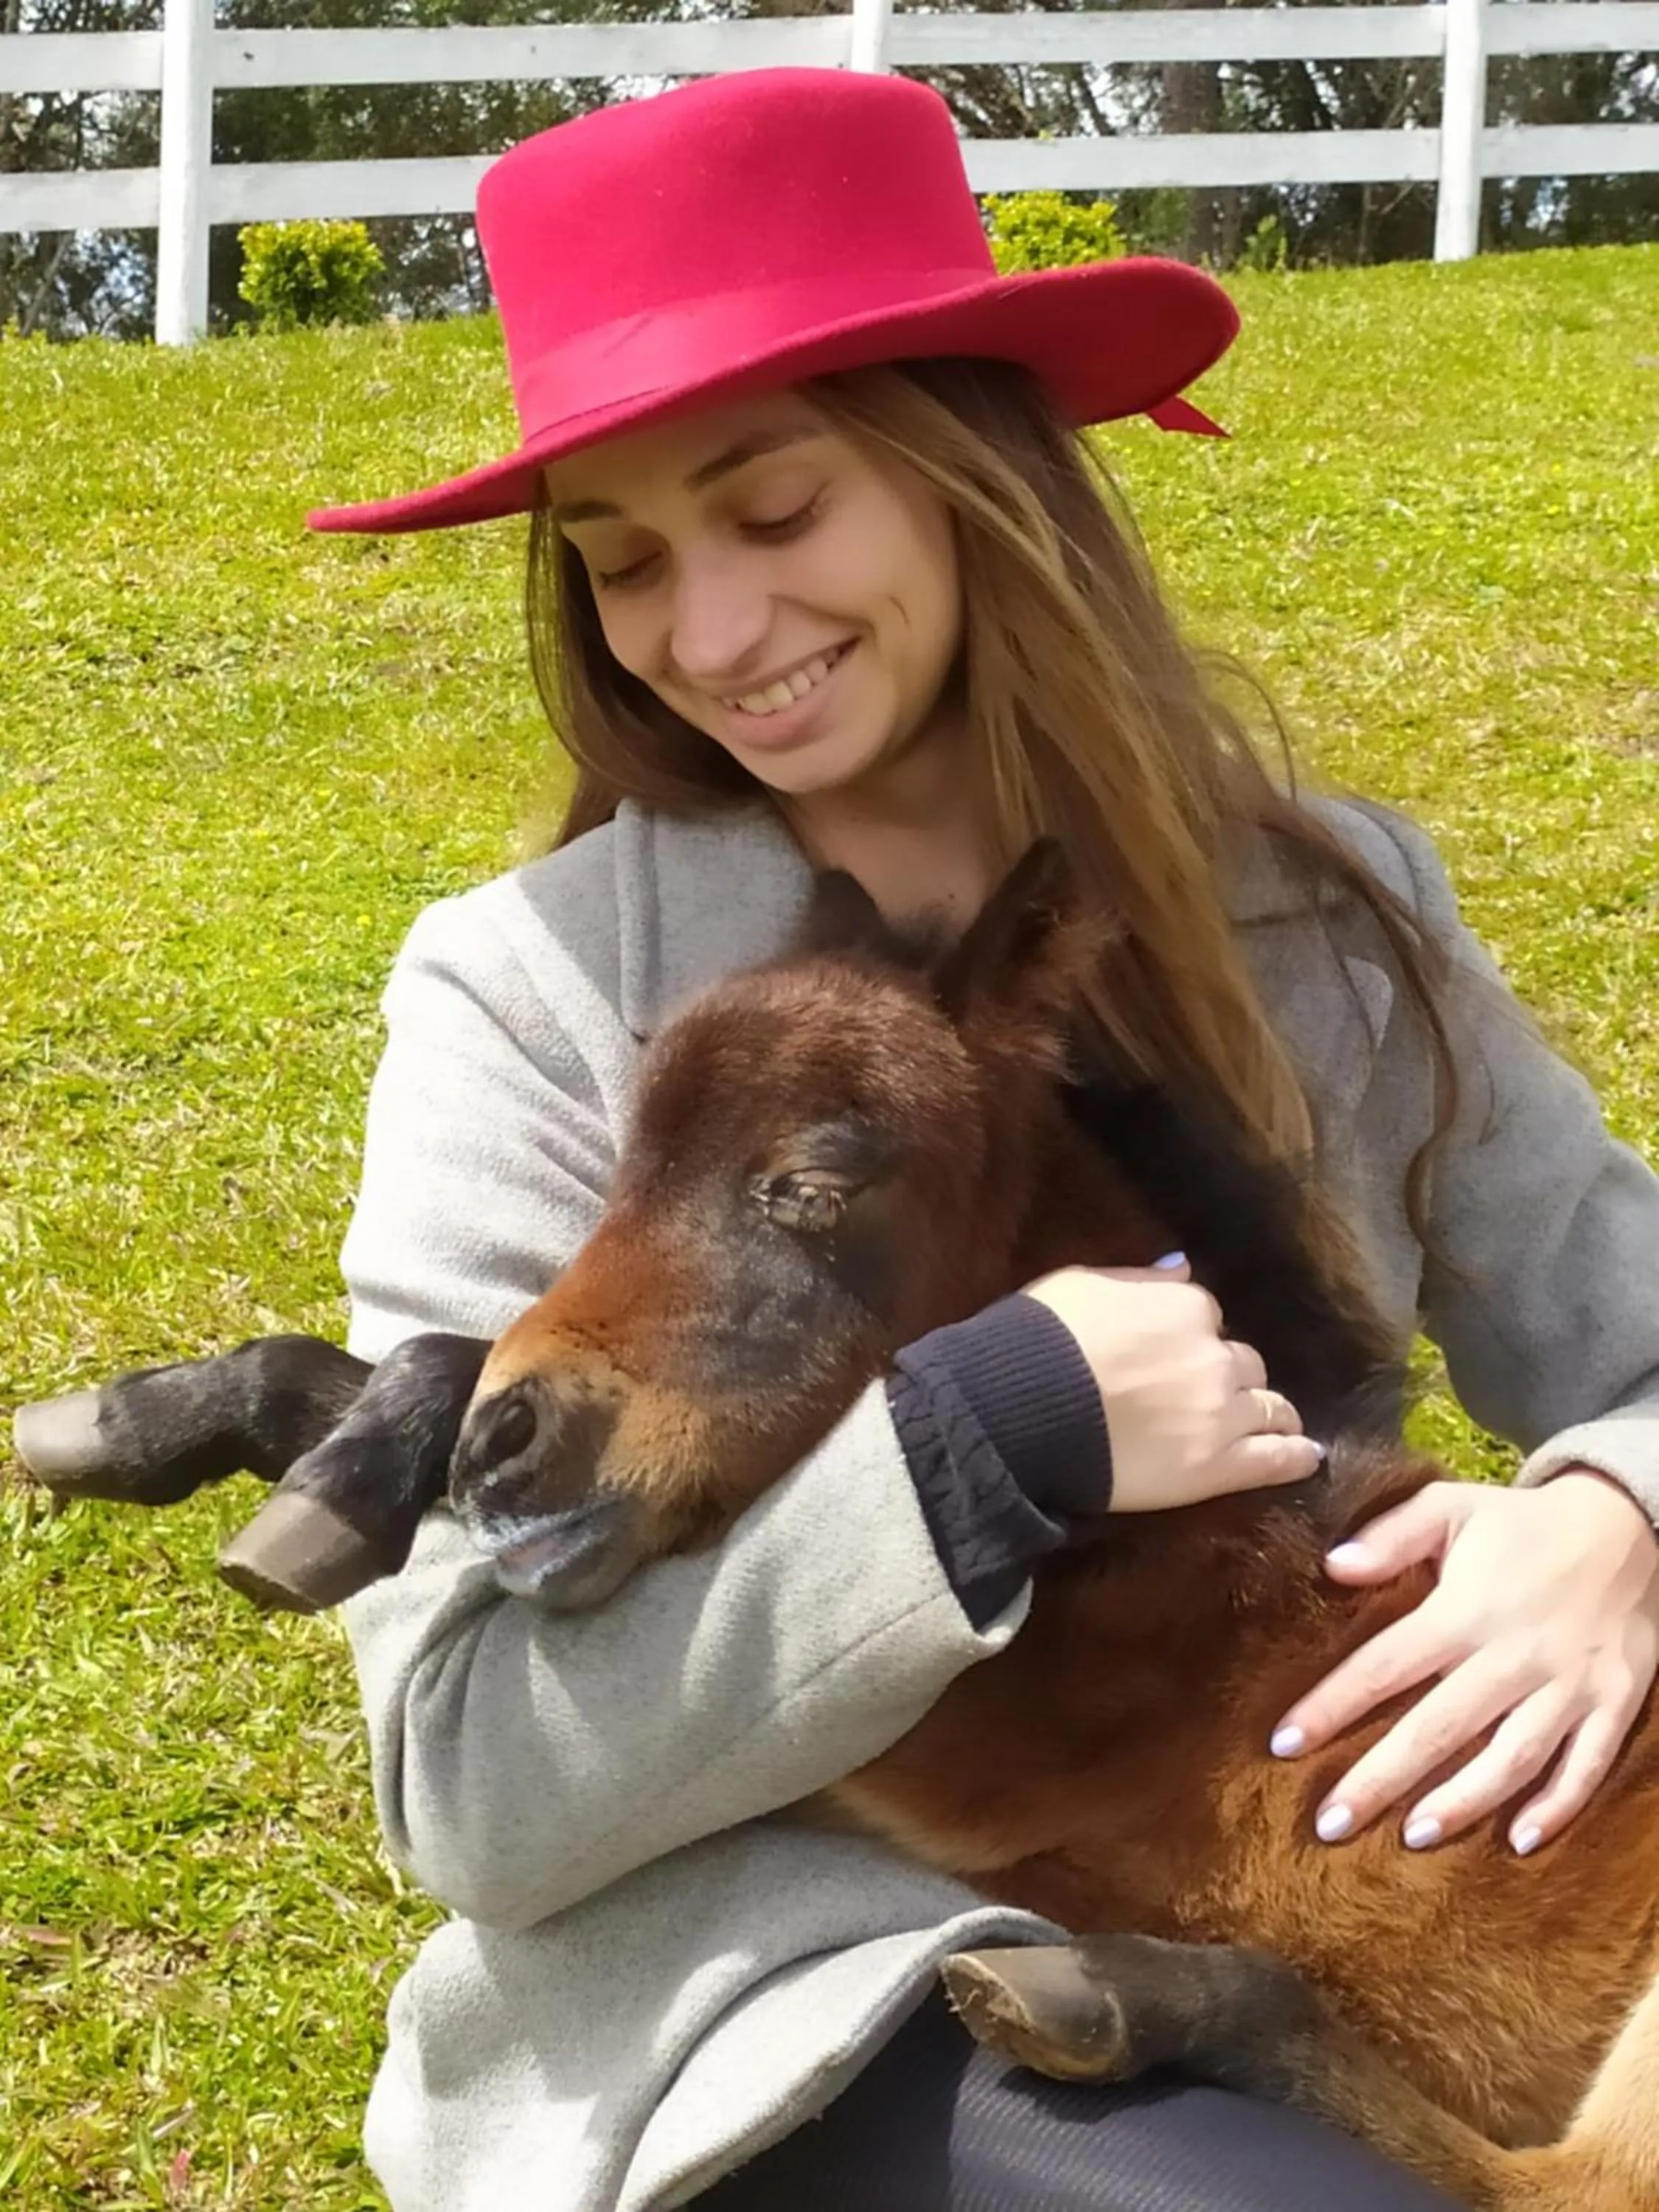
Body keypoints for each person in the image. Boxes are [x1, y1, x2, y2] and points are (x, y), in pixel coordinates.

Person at [305, 66, 1659, 2212]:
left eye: (775, 512)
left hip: (1328, 1897)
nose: (713, 632)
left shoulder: (1322, 917)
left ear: (972, 475)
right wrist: (976, 1450)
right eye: (628, 558)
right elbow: (468, 1778)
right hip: (815, 1980)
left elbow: (1636, 1333)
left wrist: (1614, 1516)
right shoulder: (531, 994)